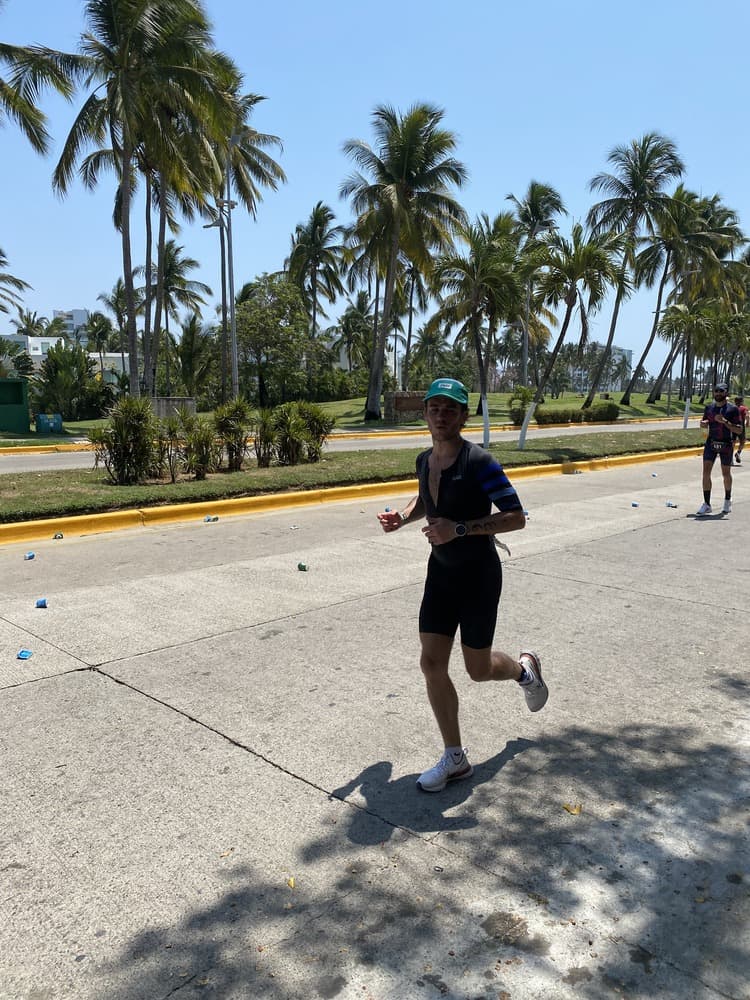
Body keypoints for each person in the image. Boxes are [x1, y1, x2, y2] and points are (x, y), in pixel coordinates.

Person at [377, 377, 548, 793]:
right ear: (426, 414)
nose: (441, 415)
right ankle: (455, 757)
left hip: (478, 576)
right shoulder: (424, 460)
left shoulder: (479, 462)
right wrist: (403, 517)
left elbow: (515, 516)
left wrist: (460, 528)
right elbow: (425, 501)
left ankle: (525, 671)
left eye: (450, 409)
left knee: (477, 669)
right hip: (440, 574)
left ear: (463, 416)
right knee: (431, 664)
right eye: (434, 408)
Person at [696, 383, 743, 515]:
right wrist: (703, 425)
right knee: (706, 472)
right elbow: (705, 424)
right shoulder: (709, 408)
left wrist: (725, 422)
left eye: (720, 391)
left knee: (725, 473)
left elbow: (739, 430)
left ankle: (728, 499)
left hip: (726, 444)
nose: (717, 393)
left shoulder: (733, 409)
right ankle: (706, 504)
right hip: (711, 442)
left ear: (726, 393)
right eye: (716, 391)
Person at [733, 395, 748, 464]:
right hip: (740, 427)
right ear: (742, 401)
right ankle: (738, 452)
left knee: (732, 442)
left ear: (735, 401)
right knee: (742, 441)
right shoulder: (744, 408)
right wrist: (748, 422)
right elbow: (747, 416)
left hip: (732, 426)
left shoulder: (732, 408)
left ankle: (730, 458)